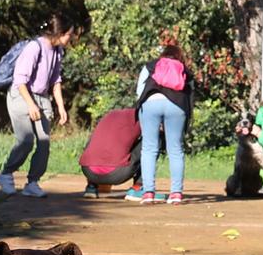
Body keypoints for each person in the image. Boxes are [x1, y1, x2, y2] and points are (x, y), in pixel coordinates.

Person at [0, 15, 75, 198]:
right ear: (59, 33)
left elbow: (56, 80)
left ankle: (32, 183)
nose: (71, 38)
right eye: (69, 35)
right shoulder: (35, 47)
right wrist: (31, 105)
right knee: (26, 140)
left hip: (42, 97)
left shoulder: (57, 51)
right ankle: (6, 174)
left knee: (44, 142)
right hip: (21, 95)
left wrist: (61, 107)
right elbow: (20, 80)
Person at [134, 41, 194, 204]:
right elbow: (190, 95)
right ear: (179, 57)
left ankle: (148, 193)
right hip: (177, 105)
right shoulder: (184, 70)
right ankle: (176, 193)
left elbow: (139, 90)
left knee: (149, 148)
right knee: (175, 149)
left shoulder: (151, 65)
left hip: (151, 102)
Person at [79, 106, 141, 198]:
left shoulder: (109, 115)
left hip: (88, 171)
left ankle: (91, 187)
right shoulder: (140, 118)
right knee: (151, 143)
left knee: (94, 141)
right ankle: (139, 187)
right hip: (116, 174)